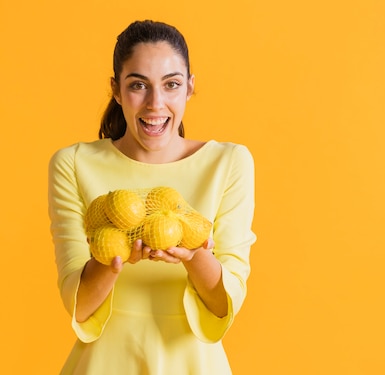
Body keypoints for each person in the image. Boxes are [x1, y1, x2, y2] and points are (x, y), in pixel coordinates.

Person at [48, 20, 256, 374]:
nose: (155, 103)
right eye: (138, 85)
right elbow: (79, 306)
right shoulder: (73, 164)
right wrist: (114, 261)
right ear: (115, 89)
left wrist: (193, 257)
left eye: (171, 84)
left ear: (190, 87)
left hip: (193, 364)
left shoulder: (229, 163)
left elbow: (225, 304)